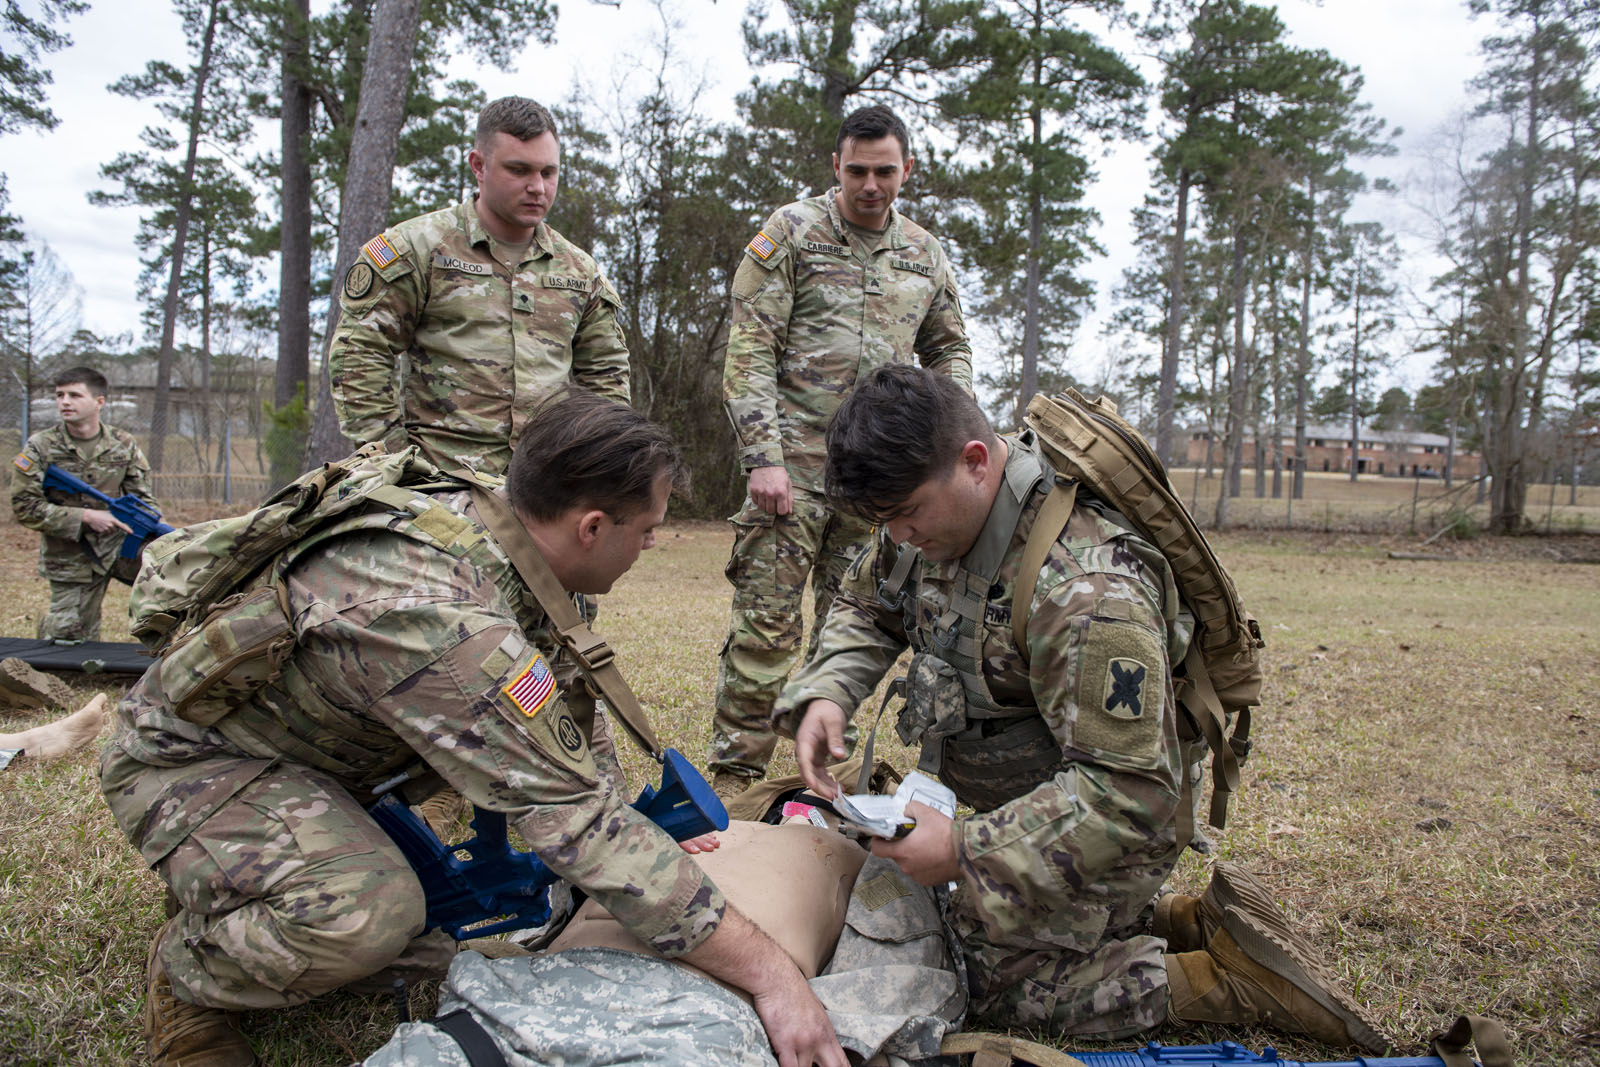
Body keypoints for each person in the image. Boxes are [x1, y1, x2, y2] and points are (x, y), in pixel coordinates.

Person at [100, 391, 845, 1067]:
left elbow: (568, 728)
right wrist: (774, 977)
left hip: (315, 761)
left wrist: (636, 830)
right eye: (647, 531)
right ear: (591, 526)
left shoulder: (499, 536)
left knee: (420, 924)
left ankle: (271, 890)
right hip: (192, 763)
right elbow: (578, 825)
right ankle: (188, 973)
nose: (650, 547)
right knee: (367, 912)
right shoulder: (443, 622)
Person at [778, 365, 1388, 1052]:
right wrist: (830, 688)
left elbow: (1130, 794)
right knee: (926, 908)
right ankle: (1178, 919)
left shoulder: (1086, 586)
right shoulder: (925, 516)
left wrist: (964, 852)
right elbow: (868, 599)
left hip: (1111, 817)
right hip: (1014, 801)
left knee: (978, 973)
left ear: (975, 462)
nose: (898, 536)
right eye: (883, 521)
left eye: (905, 513)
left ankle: (1225, 975)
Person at [707, 104, 973, 798]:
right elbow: (750, 348)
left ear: (907, 170)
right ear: (835, 167)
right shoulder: (792, 233)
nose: (870, 185)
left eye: (885, 171)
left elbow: (948, 347)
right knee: (765, 626)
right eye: (857, 170)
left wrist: (944, 446)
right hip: (790, 469)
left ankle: (823, 772)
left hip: (882, 479)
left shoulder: (924, 252)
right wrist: (762, 456)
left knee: (851, 626)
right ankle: (734, 778)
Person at [329, 96, 630, 474]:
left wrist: (591, 464)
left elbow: (606, 378)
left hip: (547, 488)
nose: (537, 187)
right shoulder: (418, 249)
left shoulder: (579, 271)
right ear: (478, 166)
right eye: (519, 170)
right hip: (439, 483)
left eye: (548, 173)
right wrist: (395, 462)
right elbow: (359, 355)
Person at [10, 366, 156, 642]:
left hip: (119, 546)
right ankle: (56, 627)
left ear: (99, 402)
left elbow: (144, 500)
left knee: (172, 580)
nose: (64, 402)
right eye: (60, 395)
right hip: (70, 556)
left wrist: (142, 523)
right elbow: (24, 506)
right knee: (68, 642)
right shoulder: (41, 447)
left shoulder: (123, 444)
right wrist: (85, 516)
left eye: (75, 395)